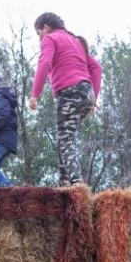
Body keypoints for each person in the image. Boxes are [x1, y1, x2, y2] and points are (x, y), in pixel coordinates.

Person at [29, 12, 102, 187]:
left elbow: (44, 63)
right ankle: (64, 185)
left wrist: (35, 94)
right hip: (86, 92)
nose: (40, 40)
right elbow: (96, 68)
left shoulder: (51, 38)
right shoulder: (75, 41)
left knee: (65, 140)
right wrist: (93, 100)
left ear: (46, 27)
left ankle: (77, 184)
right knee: (62, 139)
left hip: (70, 92)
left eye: (39, 34)